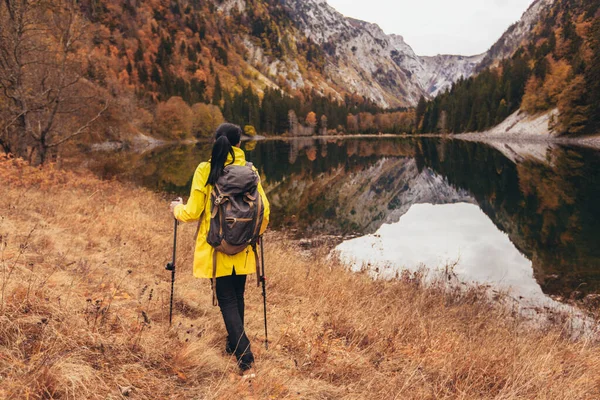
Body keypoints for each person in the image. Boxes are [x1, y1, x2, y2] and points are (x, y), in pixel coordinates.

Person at [169, 123, 270, 373]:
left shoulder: (207, 169)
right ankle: (232, 344)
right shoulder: (250, 170)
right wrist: (253, 234)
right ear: (239, 143)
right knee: (237, 297)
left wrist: (175, 209)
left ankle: (244, 356)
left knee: (226, 299)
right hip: (244, 247)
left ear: (216, 141)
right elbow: (265, 210)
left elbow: (192, 212)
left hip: (217, 248)